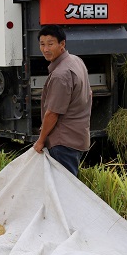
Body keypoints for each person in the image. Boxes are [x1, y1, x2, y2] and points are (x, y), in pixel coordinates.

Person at [34, 25, 92, 176]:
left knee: (64, 187)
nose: (45, 49)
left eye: (50, 44)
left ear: (62, 44)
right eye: (42, 44)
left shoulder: (61, 74)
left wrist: (41, 141)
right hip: (77, 136)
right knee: (68, 183)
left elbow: (52, 113)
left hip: (62, 142)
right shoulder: (76, 61)